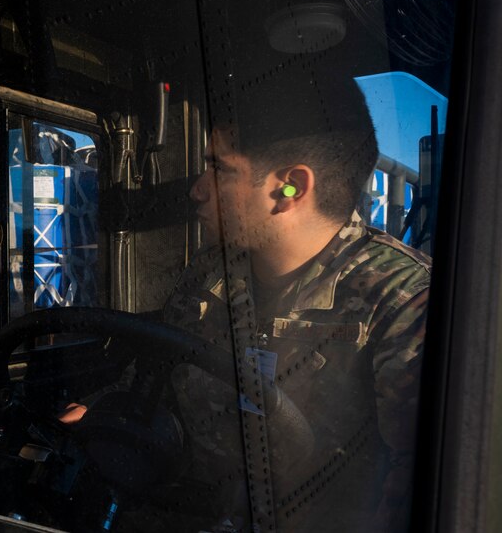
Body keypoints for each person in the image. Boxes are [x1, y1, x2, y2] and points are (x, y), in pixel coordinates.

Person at [60, 77, 429, 531]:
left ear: (289, 188)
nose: (197, 189)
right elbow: (156, 376)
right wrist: (102, 410)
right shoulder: (209, 275)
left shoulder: (401, 299)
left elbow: (414, 488)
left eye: (219, 168)